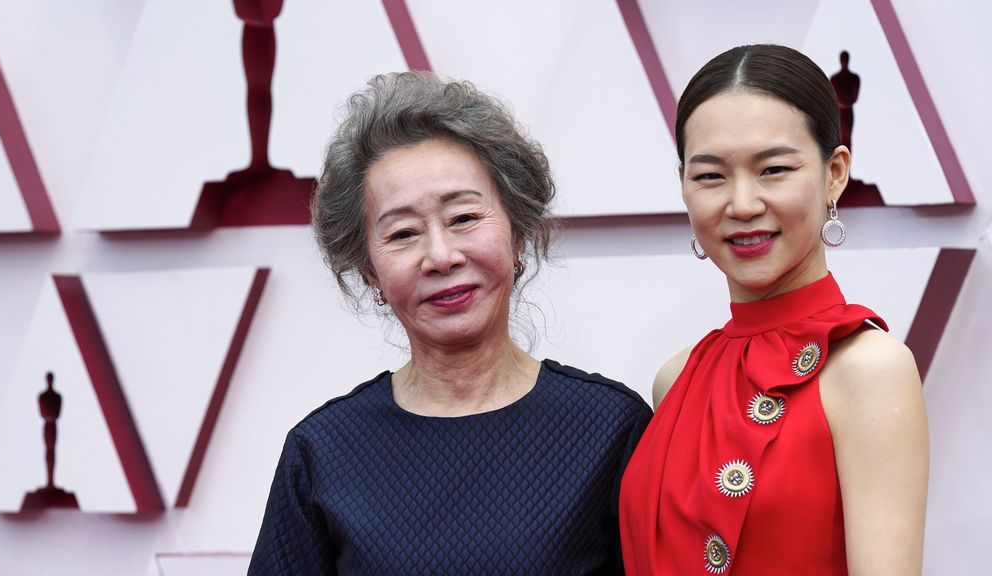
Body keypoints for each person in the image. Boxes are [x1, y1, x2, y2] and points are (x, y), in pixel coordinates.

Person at [248, 71, 651, 575]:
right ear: (369, 268)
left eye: (463, 219)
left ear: (518, 232)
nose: (440, 255)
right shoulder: (324, 450)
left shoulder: (609, 427)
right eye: (403, 233)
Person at [619, 45, 927, 575]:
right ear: (684, 187)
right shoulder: (676, 378)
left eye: (774, 169)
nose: (741, 204)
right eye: (710, 176)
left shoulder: (871, 370)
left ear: (835, 174)